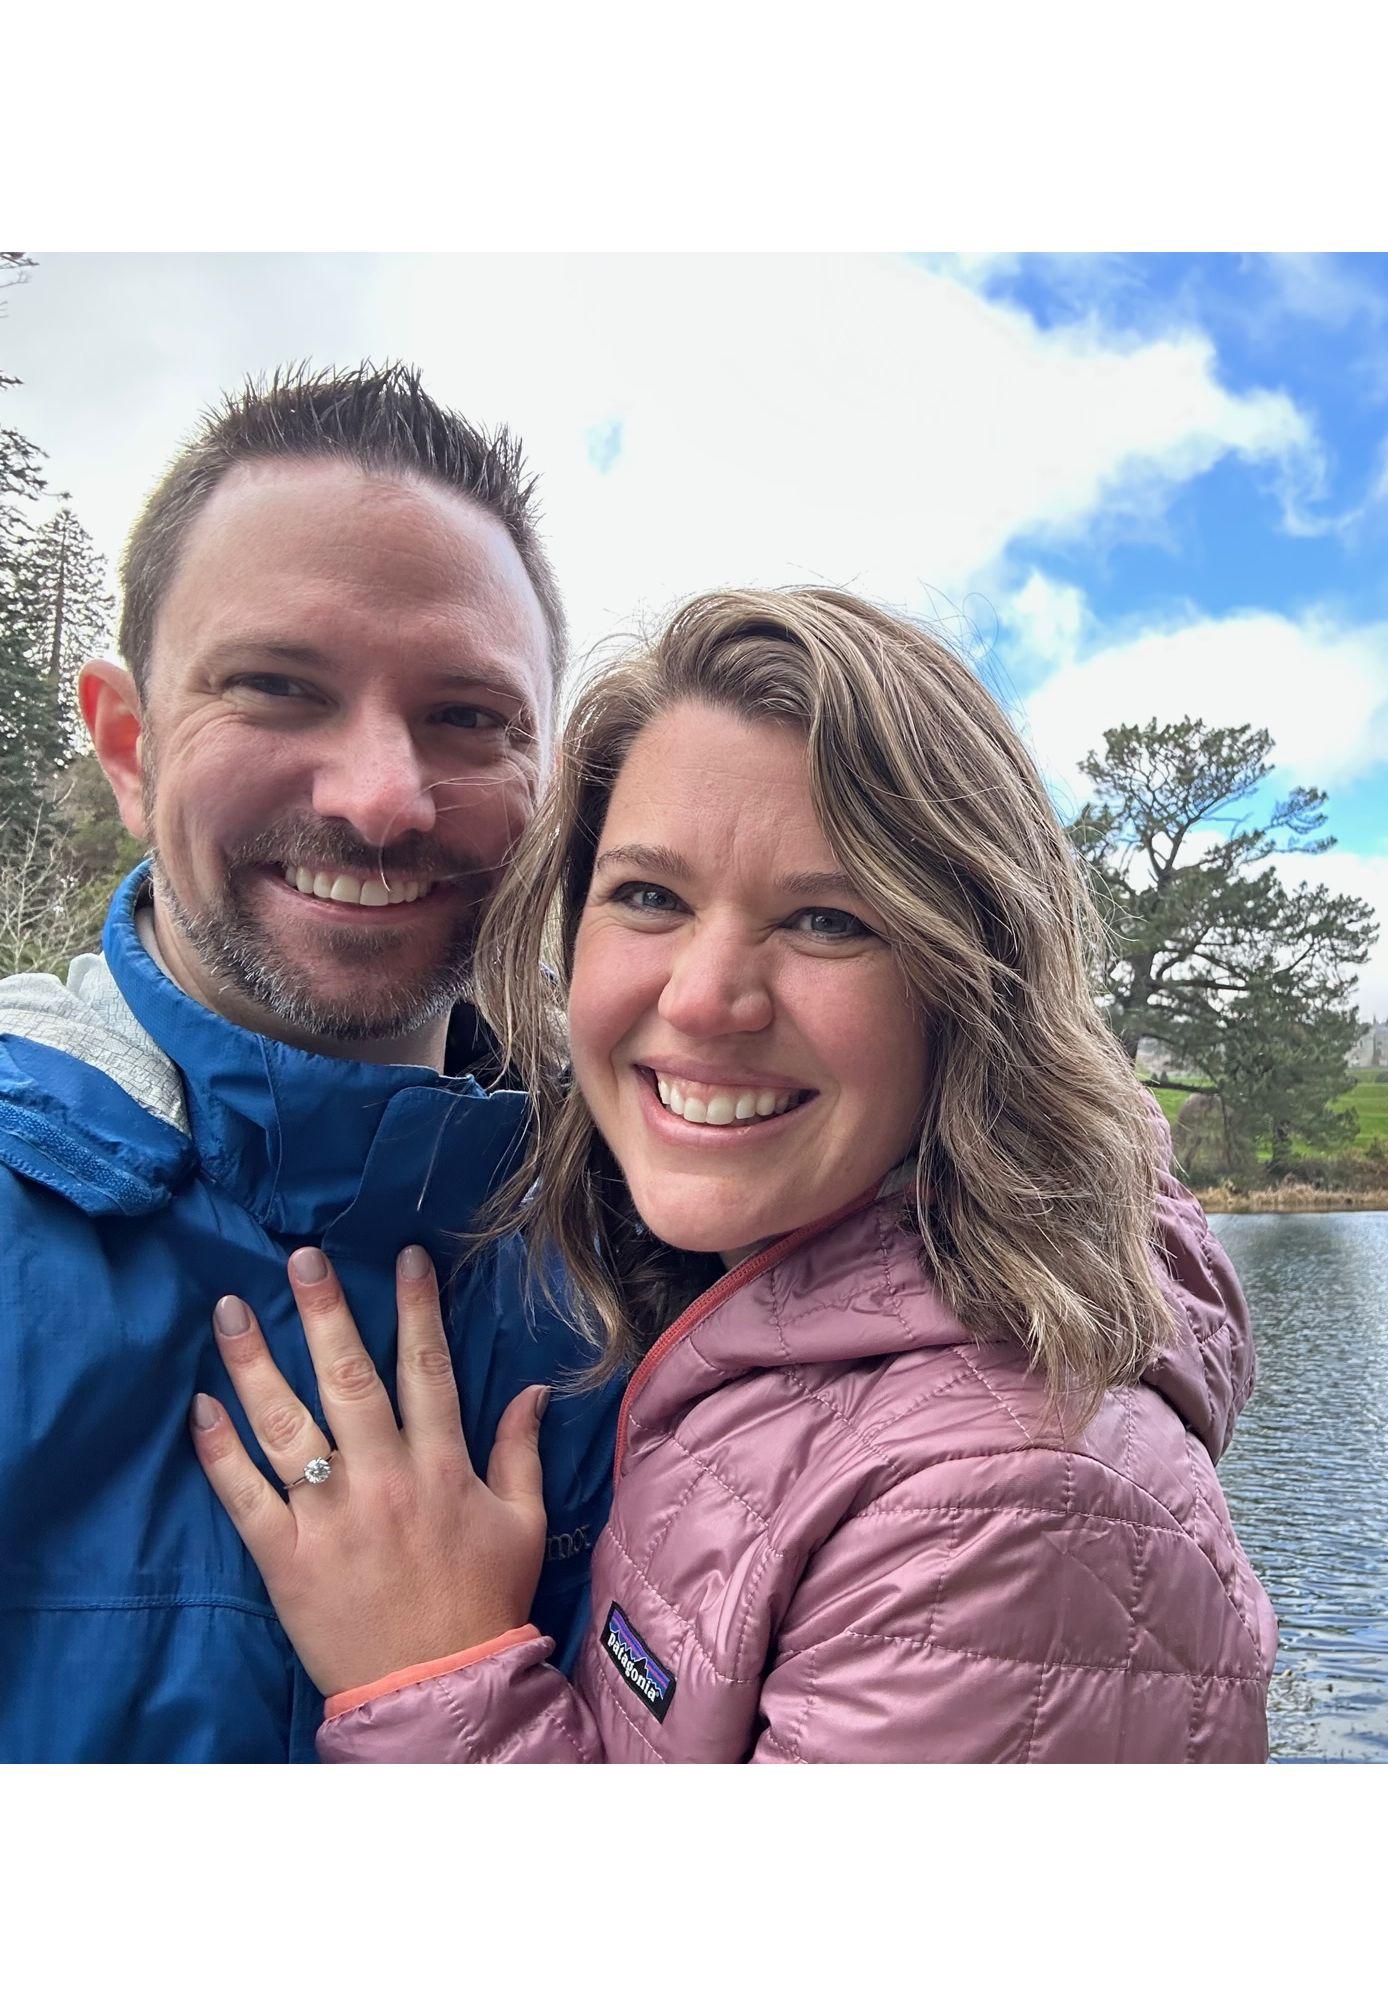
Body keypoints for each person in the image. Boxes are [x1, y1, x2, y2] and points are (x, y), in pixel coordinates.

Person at [192, 588, 1279, 1761]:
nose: (706, 996)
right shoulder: (727, 1297)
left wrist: (428, 1674)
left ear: (971, 987)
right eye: (650, 897)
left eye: (827, 920)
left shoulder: (1016, 1506)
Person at [0, 364, 618, 1761]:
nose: (382, 799)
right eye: (278, 689)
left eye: (469, 716)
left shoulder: (659, 1235)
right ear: (126, 742)